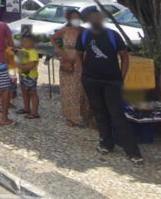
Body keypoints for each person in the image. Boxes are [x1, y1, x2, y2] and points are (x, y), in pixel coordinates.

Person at [75, 10, 143, 165]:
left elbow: (124, 56)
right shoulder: (84, 36)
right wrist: (82, 73)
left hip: (112, 81)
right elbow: (78, 53)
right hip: (91, 80)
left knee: (117, 115)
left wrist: (122, 77)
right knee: (99, 112)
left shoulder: (112, 35)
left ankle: (133, 151)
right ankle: (106, 143)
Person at [50, 9, 95, 128]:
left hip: (82, 65)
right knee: (69, 92)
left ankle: (87, 117)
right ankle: (70, 118)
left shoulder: (84, 31)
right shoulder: (65, 30)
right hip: (68, 65)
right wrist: (60, 51)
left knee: (83, 92)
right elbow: (53, 38)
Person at [17, 36, 40, 119]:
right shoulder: (23, 50)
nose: (23, 43)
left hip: (30, 76)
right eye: (23, 41)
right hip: (22, 75)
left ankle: (34, 112)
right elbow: (18, 60)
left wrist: (23, 67)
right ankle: (26, 108)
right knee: (24, 91)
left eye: (26, 42)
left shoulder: (33, 52)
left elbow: (33, 63)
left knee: (32, 92)